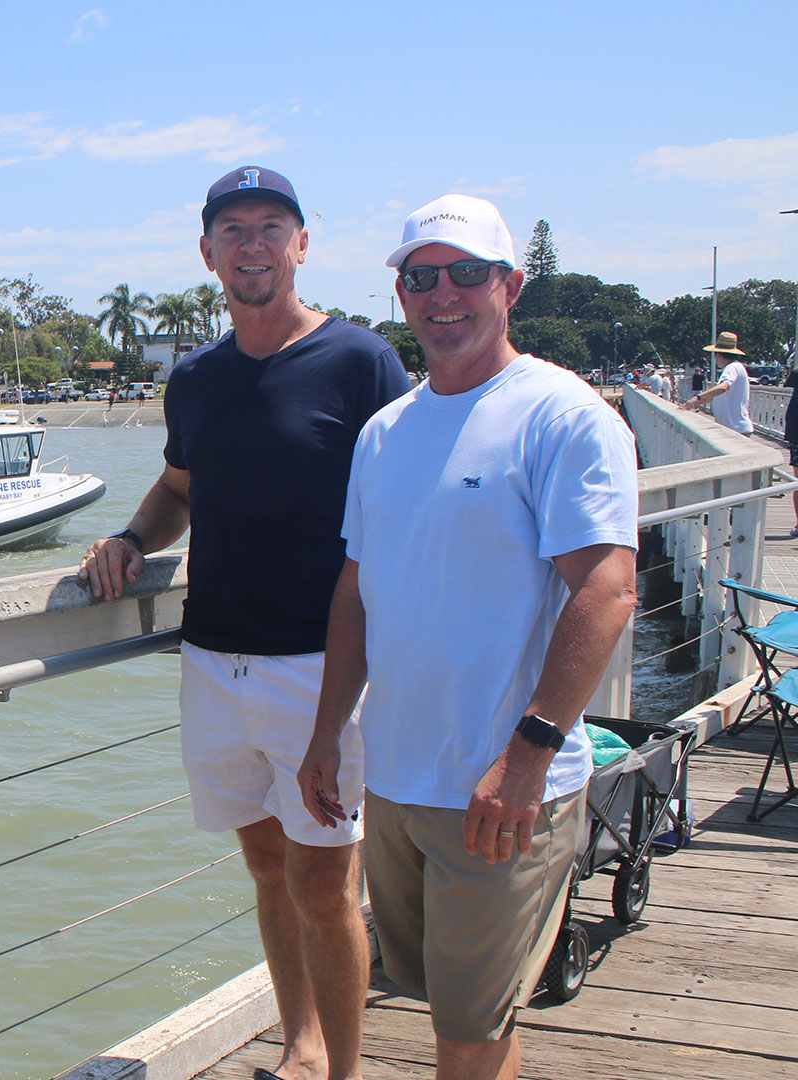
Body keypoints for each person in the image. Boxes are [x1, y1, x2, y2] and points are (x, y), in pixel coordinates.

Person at [79, 165, 410, 1080]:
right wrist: (128, 538)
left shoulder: (362, 360)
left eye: (271, 227)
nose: (252, 244)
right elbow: (179, 487)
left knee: (325, 880)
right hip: (214, 658)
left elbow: (405, 498)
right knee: (267, 863)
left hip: (324, 663)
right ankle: (300, 1048)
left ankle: (343, 1071)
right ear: (207, 252)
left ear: (302, 245)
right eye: (233, 229)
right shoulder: (195, 378)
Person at [299, 194, 637, 1080]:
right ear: (400, 294)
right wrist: (329, 732)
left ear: (510, 285)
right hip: (398, 780)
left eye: (466, 273)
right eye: (421, 277)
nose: (442, 294)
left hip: (503, 789)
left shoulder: (562, 415)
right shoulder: (384, 433)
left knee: (467, 1033)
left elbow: (606, 589)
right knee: (457, 1010)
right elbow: (357, 591)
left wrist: (528, 755)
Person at [682, 331, 752, 434]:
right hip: (735, 427)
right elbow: (717, 396)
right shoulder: (736, 367)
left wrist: (696, 398)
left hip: (735, 429)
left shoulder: (731, 368)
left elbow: (723, 387)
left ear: (718, 355)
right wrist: (693, 404)